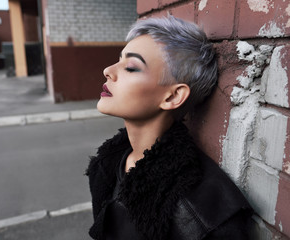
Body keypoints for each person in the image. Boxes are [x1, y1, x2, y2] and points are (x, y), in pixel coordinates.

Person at [86, 16, 253, 240]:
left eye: (131, 67)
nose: (108, 70)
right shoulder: (107, 164)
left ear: (173, 96)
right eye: (118, 59)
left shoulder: (204, 217)